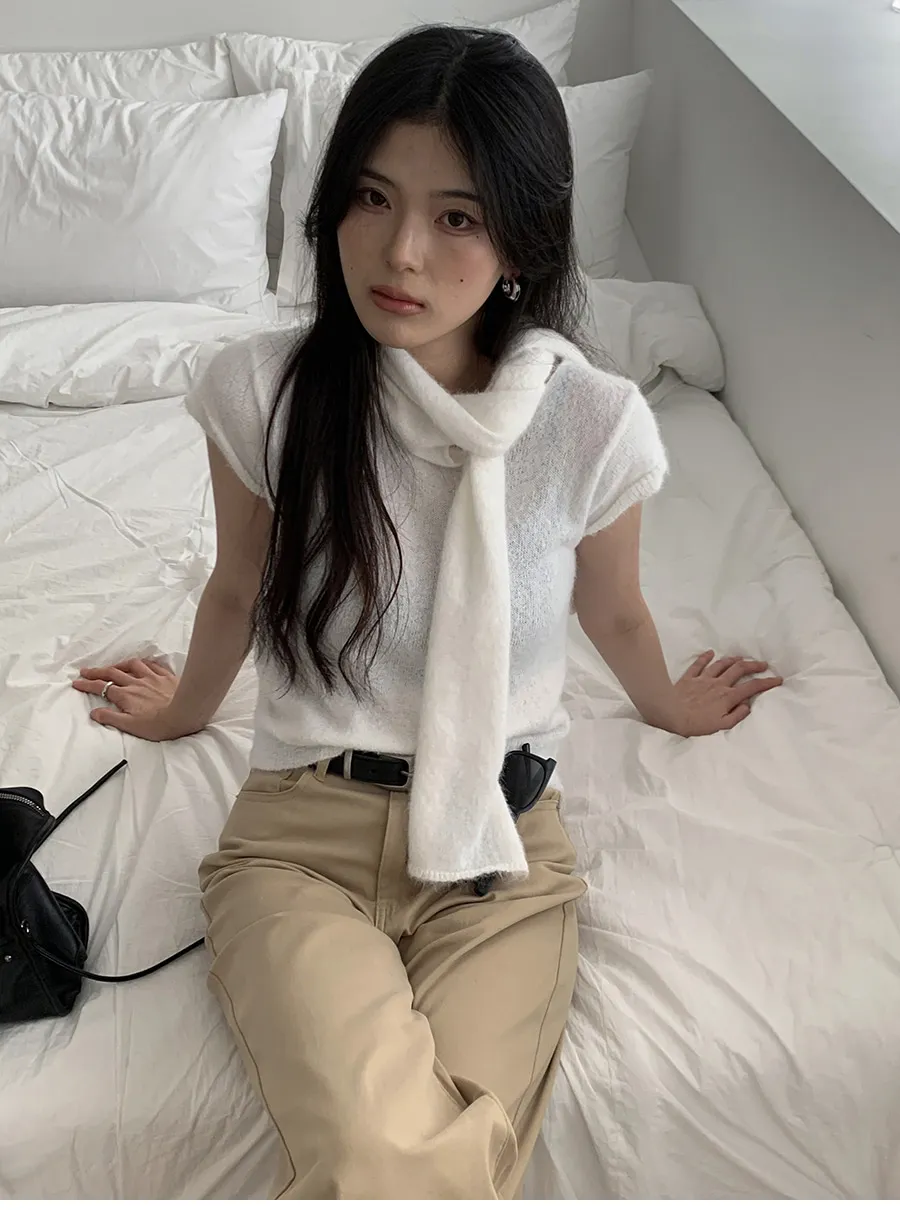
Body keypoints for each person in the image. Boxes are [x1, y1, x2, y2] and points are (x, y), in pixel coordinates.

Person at [72, 24, 782, 1199]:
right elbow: (239, 587)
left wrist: (668, 701)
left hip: (502, 848)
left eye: (457, 216)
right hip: (301, 845)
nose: (400, 251)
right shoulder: (262, 393)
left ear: (522, 241)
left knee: (413, 1164)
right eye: (372, 197)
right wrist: (182, 711)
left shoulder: (591, 423)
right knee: (386, 1156)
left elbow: (611, 610)